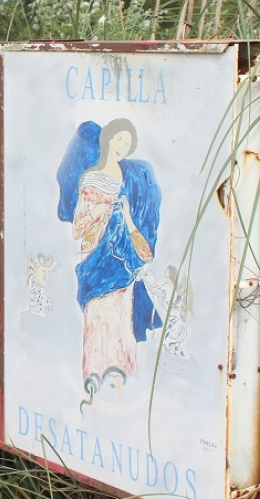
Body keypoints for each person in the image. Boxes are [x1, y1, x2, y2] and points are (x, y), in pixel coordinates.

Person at [57, 118, 162, 407]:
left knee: (121, 326)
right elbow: (79, 227)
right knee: (98, 323)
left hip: (123, 265)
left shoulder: (129, 180)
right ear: (108, 141)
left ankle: (124, 382)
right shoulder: (92, 179)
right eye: (118, 140)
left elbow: (133, 225)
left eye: (126, 144)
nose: (121, 147)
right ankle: (94, 384)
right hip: (97, 261)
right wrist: (103, 207)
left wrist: (125, 215)